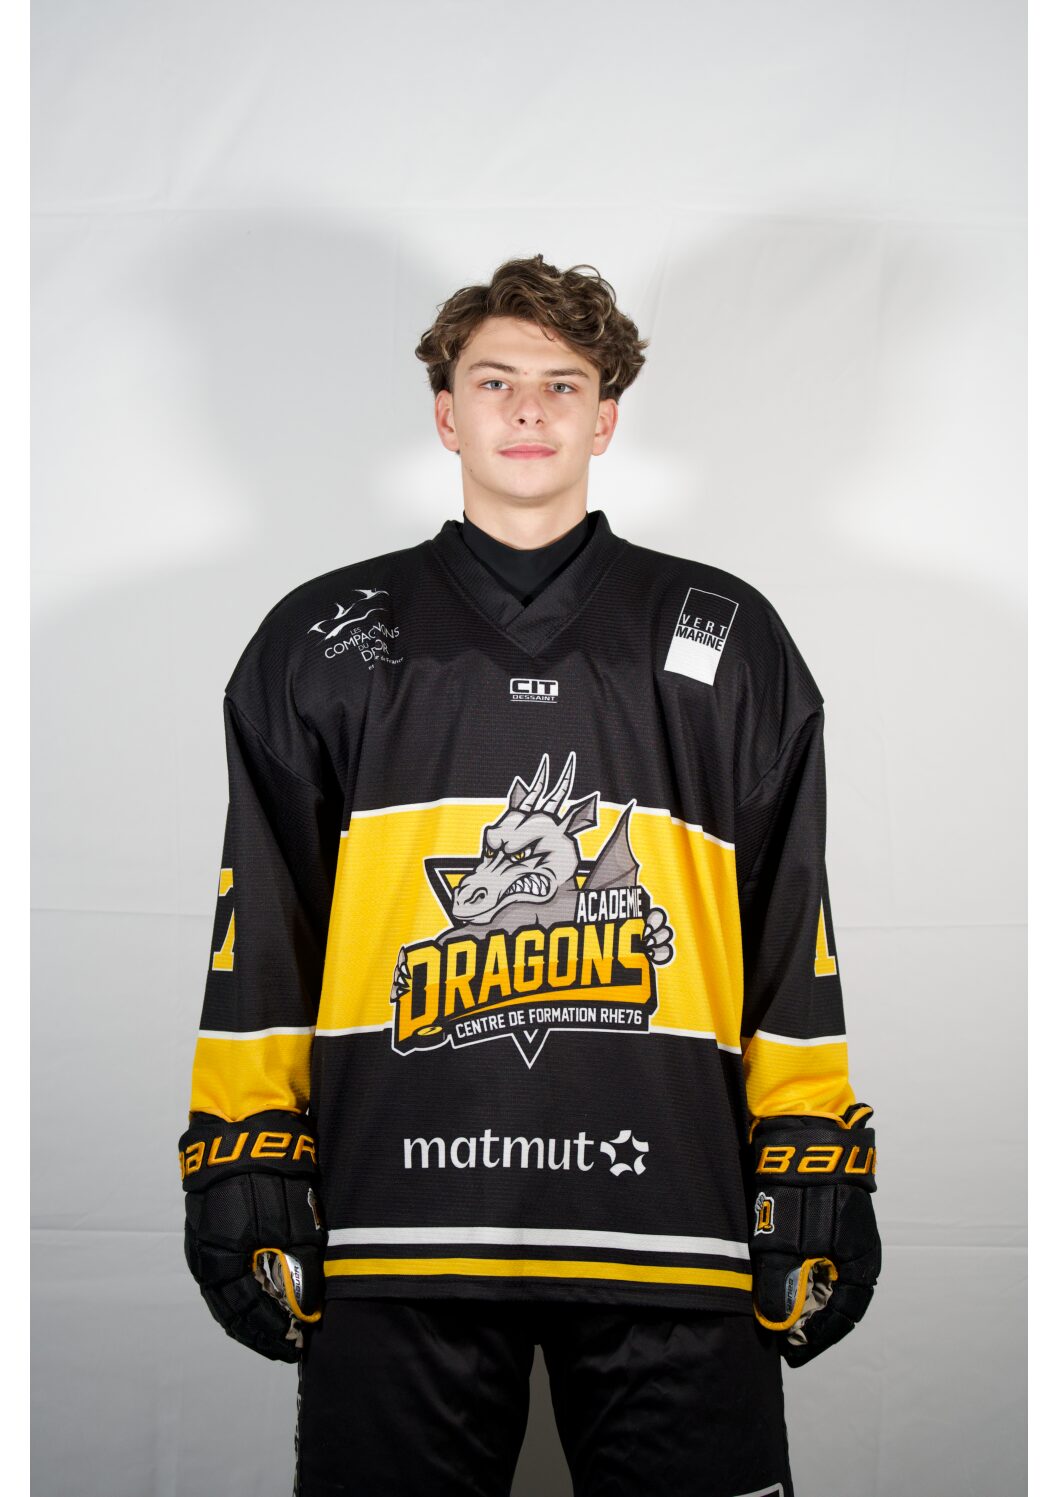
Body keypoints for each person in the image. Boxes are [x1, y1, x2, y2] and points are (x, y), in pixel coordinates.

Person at [177, 254, 881, 1497]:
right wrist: (241, 1140)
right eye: (493, 380)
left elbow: (787, 919)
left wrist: (809, 1141)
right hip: (396, 1226)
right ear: (443, 413)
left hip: (677, 1221)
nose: (526, 409)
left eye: (562, 384)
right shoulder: (323, 638)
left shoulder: (723, 634)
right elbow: (264, 921)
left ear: (604, 418)